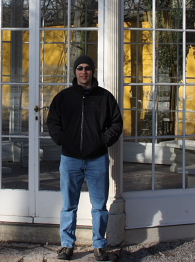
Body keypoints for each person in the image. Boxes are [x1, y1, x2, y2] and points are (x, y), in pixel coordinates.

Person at [47, 54, 123, 261]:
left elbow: (116, 123)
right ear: (75, 71)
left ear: (93, 71)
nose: (83, 72)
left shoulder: (105, 97)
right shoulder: (64, 98)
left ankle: (99, 245)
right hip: (70, 159)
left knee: (99, 205)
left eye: (87, 68)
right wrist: (63, 140)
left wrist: (102, 141)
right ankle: (67, 245)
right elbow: (53, 122)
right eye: (79, 68)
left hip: (97, 159)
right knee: (69, 205)